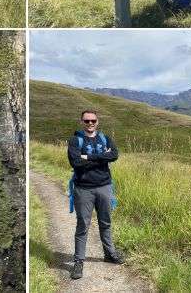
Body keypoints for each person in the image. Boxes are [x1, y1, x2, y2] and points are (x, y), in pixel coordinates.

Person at [67, 110, 122, 280]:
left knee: (106, 222)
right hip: (83, 189)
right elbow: (75, 162)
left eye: (93, 120)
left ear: (98, 121)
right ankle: (78, 262)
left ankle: (109, 253)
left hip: (104, 187)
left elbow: (114, 155)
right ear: (81, 121)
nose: (90, 123)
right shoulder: (75, 140)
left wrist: (88, 157)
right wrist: (101, 157)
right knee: (83, 225)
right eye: (87, 120)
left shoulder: (105, 138)